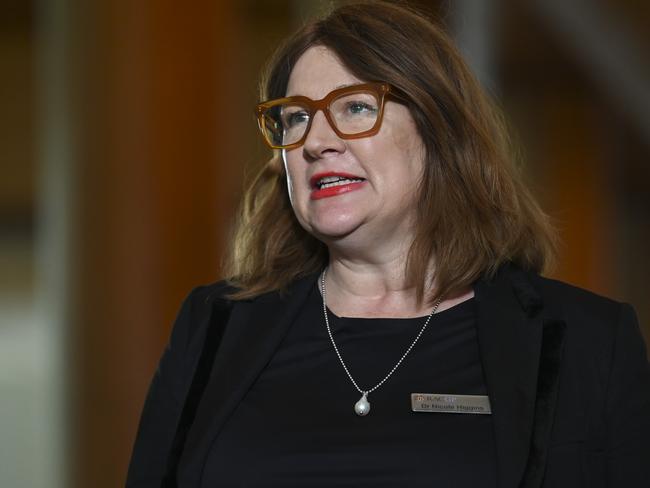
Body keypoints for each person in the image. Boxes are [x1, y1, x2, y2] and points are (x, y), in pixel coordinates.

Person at [126, 1, 650, 487]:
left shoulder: (588, 344)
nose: (316, 141)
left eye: (355, 108)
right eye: (297, 117)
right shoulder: (213, 329)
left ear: (437, 128)